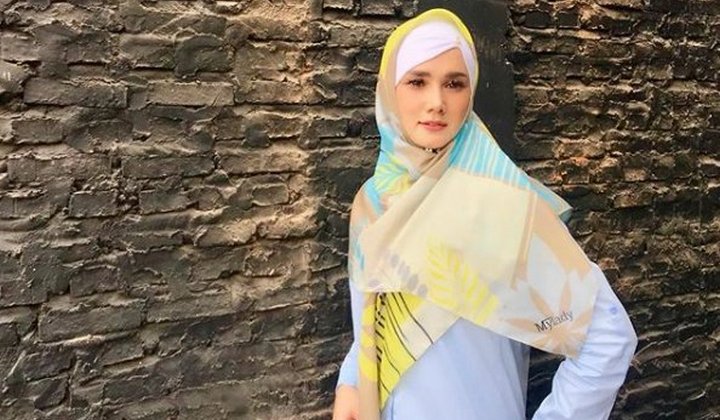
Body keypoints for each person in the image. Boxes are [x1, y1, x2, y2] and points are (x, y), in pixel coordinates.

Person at [332, 8, 638, 420]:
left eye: (454, 83)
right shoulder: (372, 202)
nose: (436, 102)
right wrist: (351, 380)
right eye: (417, 81)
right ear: (389, 89)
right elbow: (374, 317)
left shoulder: (501, 202)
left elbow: (607, 337)